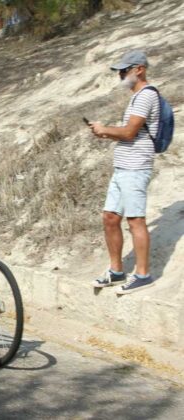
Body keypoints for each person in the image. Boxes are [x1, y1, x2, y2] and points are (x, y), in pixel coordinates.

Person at [89, 50, 159, 295]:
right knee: (110, 217)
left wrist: (104, 129)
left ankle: (142, 274)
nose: (120, 75)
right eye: (119, 71)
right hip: (123, 167)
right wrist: (104, 132)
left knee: (135, 220)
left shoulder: (146, 96)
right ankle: (116, 271)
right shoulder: (135, 97)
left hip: (136, 167)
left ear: (139, 69)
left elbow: (130, 132)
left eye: (124, 70)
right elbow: (129, 133)